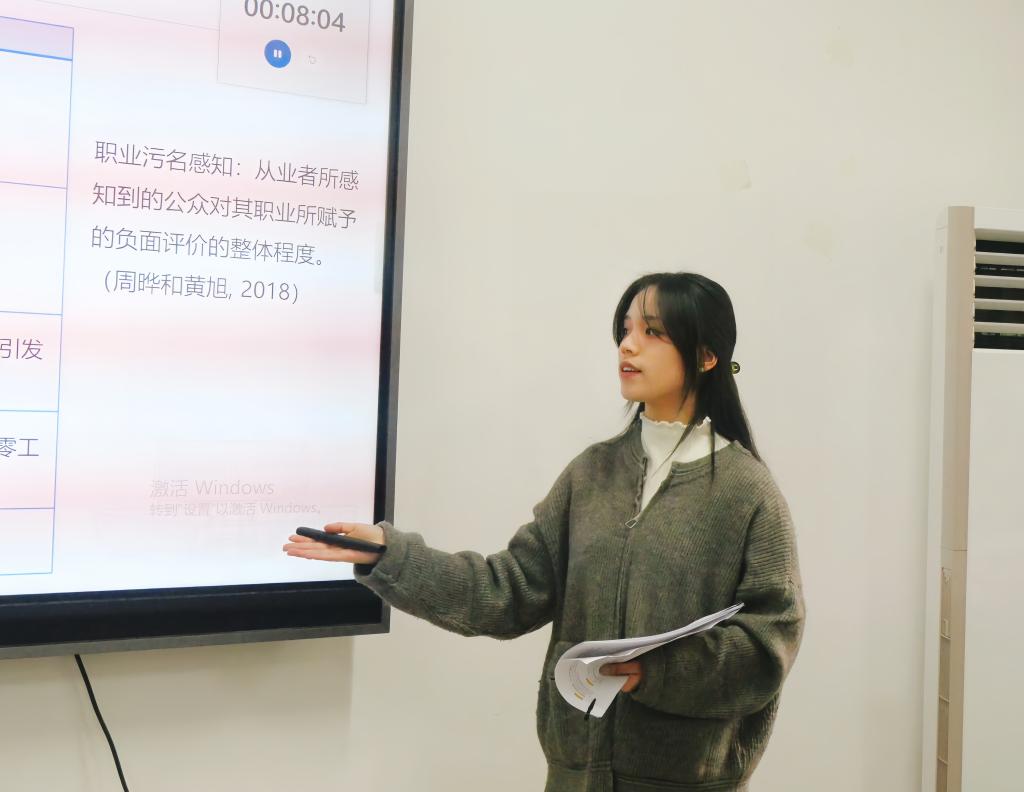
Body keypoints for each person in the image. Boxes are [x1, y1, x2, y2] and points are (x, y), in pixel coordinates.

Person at [283, 272, 805, 792]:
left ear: (706, 356)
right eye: (625, 329)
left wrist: (656, 672)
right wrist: (388, 556)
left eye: (653, 332)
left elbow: (769, 645)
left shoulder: (746, 492)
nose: (628, 345)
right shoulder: (591, 475)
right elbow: (506, 592)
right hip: (573, 778)